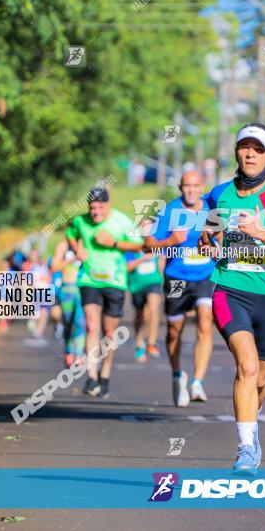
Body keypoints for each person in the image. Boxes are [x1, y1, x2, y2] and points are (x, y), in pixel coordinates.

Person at [199, 122, 265, 474]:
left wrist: (260, 232)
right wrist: (207, 240)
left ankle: (252, 423)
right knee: (245, 367)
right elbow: (210, 228)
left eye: (257, 149)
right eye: (244, 146)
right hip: (230, 290)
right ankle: (246, 448)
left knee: (260, 377)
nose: (250, 153)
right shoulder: (219, 194)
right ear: (236, 151)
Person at [144, 171, 216, 406]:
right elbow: (148, 245)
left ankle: (197, 382)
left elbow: (222, 237)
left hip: (205, 275)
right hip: (176, 278)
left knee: (205, 321)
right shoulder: (170, 211)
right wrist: (170, 242)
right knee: (174, 330)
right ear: (181, 187)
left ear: (202, 186)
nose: (192, 190)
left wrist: (216, 247)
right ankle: (177, 375)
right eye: (187, 186)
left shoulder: (211, 208)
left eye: (196, 186)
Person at [66, 185, 142, 398]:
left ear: (108, 205)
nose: (96, 212)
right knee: (92, 327)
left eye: (100, 207)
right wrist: (76, 248)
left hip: (115, 282)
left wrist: (114, 243)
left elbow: (140, 246)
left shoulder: (122, 221)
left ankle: (105, 375)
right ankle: (91, 377)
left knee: (109, 333)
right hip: (89, 280)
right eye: (92, 208)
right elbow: (70, 233)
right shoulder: (81, 221)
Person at [125, 220, 164, 364]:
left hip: (154, 282)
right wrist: (142, 259)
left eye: (150, 226)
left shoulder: (157, 244)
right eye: (144, 226)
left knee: (153, 307)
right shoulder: (134, 246)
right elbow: (127, 267)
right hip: (137, 285)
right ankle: (139, 342)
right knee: (140, 315)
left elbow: (162, 261)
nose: (147, 229)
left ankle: (152, 343)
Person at [50, 239, 86, 368]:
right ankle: (69, 349)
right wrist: (73, 258)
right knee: (68, 321)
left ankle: (79, 353)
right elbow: (54, 267)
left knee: (80, 321)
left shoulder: (87, 242)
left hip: (83, 286)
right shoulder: (63, 245)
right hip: (67, 288)